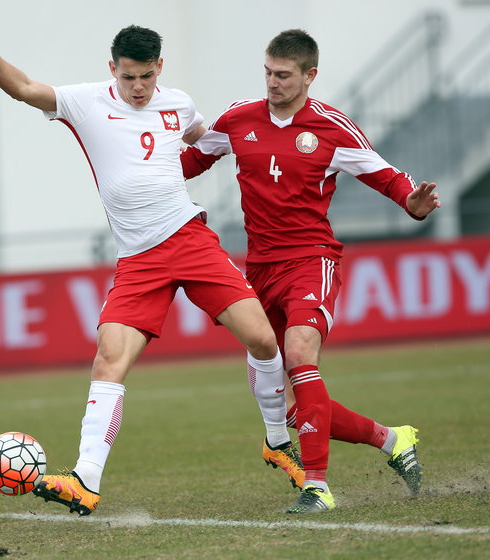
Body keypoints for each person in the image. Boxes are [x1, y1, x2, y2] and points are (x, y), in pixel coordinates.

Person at [0, 11, 304, 516]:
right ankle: (85, 479)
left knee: (261, 338)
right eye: (129, 77)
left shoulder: (178, 104)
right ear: (112, 69)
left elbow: (206, 140)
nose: (139, 87)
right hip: (139, 258)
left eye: (147, 76)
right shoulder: (85, 101)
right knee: (109, 358)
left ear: (159, 67)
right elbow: (25, 89)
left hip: (189, 238)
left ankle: (277, 441)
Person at [181, 29, 441, 513]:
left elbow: (386, 175)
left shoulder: (332, 127)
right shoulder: (239, 119)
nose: (272, 83)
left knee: (301, 353)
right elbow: (190, 162)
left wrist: (413, 202)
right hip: (256, 268)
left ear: (309, 76)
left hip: (310, 260)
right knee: (297, 406)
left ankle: (317, 488)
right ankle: (392, 440)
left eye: (283, 75)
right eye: (268, 72)